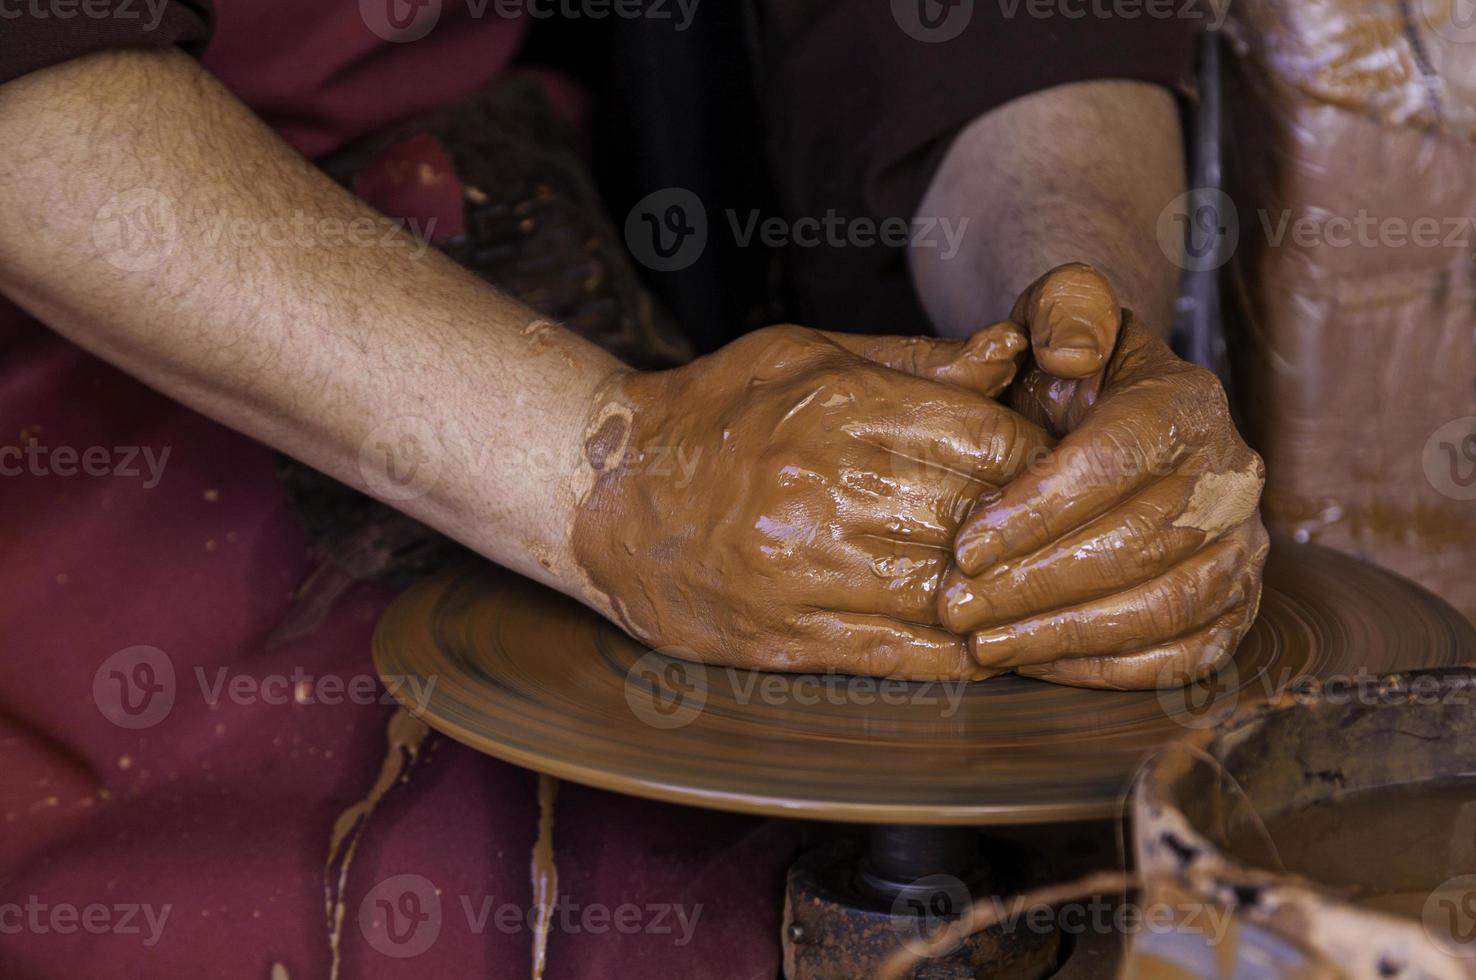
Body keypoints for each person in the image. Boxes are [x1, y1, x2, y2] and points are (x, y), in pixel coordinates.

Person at [0, 2, 1263, 975]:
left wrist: (1072, 330)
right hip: (109, 261)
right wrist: (604, 469)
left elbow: (972, 29)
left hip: (536, 194)